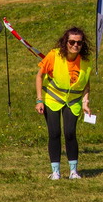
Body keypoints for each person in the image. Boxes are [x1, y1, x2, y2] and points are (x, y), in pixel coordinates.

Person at [35, 27, 92, 180]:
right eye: (72, 42)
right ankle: (55, 172)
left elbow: (86, 84)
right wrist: (39, 100)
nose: (75, 45)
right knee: (54, 133)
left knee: (70, 133)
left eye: (79, 43)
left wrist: (86, 102)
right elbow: (39, 76)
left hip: (73, 101)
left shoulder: (86, 62)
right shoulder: (54, 55)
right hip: (52, 99)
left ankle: (73, 171)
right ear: (65, 42)